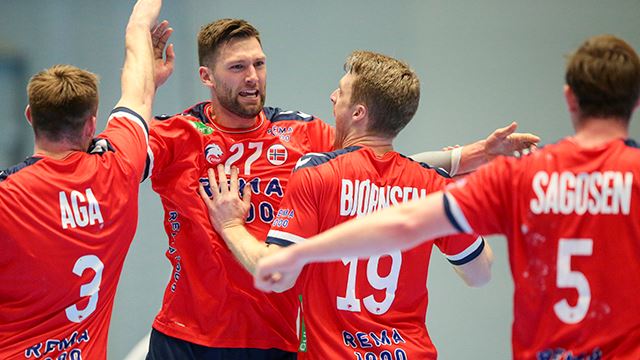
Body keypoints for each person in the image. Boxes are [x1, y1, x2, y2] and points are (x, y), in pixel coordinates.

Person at [144, 18, 538, 359]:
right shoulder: (174, 134)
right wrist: (147, 82)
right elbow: (112, 156)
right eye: (237, 66)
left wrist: (468, 156)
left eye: (259, 64)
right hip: (185, 335)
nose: (252, 76)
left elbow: (371, 165)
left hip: (273, 336)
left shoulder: (303, 136)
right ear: (206, 77)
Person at [255, 35, 640, 359]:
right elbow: (475, 267)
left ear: (569, 98)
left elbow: (404, 220)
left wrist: (298, 252)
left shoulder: (519, 177)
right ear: (636, 102)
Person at [199, 50, 495, 359]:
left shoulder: (316, 172)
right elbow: (480, 274)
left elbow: (274, 273)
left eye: (341, 92)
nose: (332, 97)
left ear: (358, 113)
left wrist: (231, 225)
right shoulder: (434, 188)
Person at [0, 1, 173, 358]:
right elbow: (136, 89)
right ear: (92, 123)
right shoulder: (119, 168)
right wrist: (142, 40)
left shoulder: (8, 197)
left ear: (31, 116)